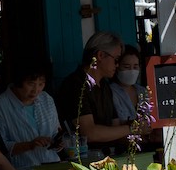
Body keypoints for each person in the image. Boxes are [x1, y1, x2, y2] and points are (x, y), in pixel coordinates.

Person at [56, 30, 141, 158]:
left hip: (109, 157)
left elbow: (115, 127)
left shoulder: (104, 85)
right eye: (116, 59)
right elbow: (89, 133)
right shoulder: (75, 84)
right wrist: (132, 128)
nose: (117, 65)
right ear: (100, 55)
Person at [0, 58, 63, 170]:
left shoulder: (46, 99)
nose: (36, 90)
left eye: (41, 84)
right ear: (18, 81)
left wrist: (59, 142)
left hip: (52, 165)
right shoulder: (0, 106)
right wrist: (29, 145)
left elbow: (55, 132)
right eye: (31, 84)